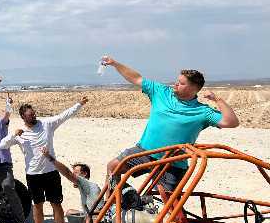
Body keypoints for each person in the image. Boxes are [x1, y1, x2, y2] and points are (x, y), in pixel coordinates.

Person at [101, 56, 240, 192]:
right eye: (177, 81)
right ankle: (114, 203)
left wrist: (218, 100)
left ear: (193, 89)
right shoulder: (161, 92)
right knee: (113, 167)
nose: (176, 84)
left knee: (165, 201)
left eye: (181, 83)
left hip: (172, 163)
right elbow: (136, 78)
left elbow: (231, 122)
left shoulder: (203, 111)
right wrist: (115, 64)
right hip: (144, 151)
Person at [0, 96, 88, 223]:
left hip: (51, 172)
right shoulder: (20, 134)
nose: (34, 116)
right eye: (30, 115)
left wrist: (79, 104)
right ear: (23, 117)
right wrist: (14, 134)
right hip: (33, 175)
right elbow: (2, 145)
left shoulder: (47, 124)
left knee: (56, 204)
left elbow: (64, 115)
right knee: (37, 205)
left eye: (34, 113)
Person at [40, 147, 103, 214]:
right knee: (70, 212)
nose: (73, 175)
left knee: (70, 212)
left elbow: (67, 173)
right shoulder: (88, 186)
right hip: (93, 214)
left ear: (84, 174)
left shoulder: (88, 184)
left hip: (95, 216)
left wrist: (50, 158)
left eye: (75, 173)